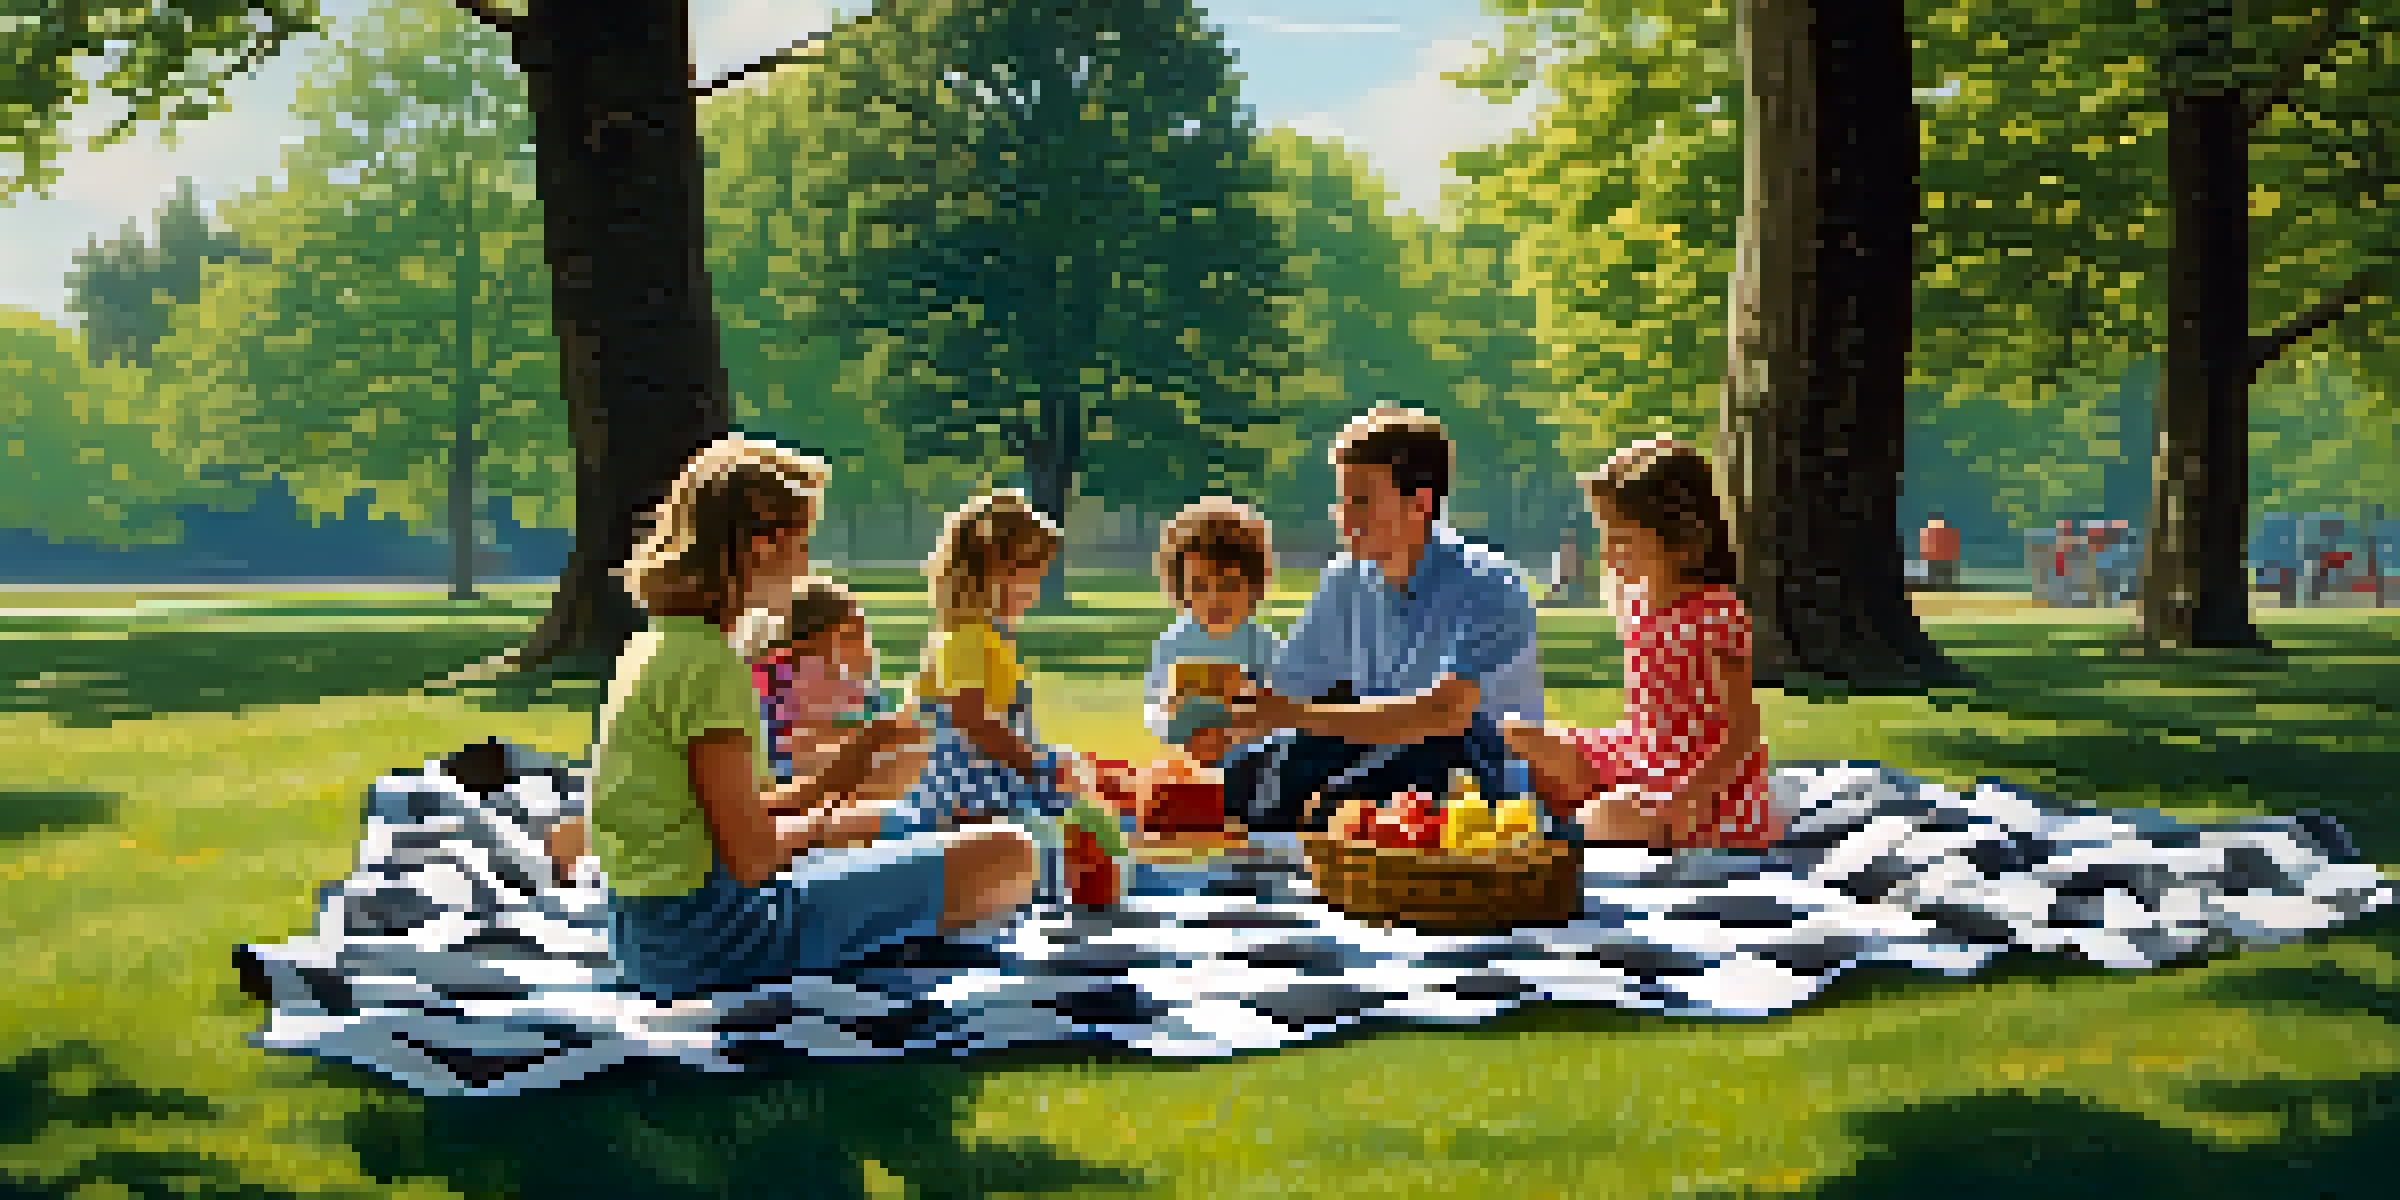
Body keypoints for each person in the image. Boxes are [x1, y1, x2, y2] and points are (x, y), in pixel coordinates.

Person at [590, 437, 1037, 1003]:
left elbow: (718, 816)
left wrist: (843, 778)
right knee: (1008, 853)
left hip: (647, 938)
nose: (806, 565)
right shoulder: (710, 668)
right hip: (716, 943)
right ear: (760, 546)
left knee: (900, 829)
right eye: (801, 544)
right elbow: (751, 858)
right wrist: (829, 831)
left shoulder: (659, 645)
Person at [1215, 408, 1545, 833]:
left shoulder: (1487, 583)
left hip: (1472, 773)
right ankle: (1267, 867)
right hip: (1376, 746)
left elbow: (1445, 714)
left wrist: (1292, 714)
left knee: (1366, 783)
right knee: (1244, 772)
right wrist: (1229, 719)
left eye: (1362, 501)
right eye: (1342, 501)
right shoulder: (1346, 578)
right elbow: (1289, 689)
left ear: (1420, 504)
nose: (1344, 517)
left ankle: (1319, 841)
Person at [1500, 436, 1780, 849]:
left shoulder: (1714, 613)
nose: (1611, 555)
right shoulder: (1636, 600)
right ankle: (1584, 815)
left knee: (1606, 817)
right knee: (1513, 737)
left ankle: (1597, 822)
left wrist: (1687, 800)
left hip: (1697, 784)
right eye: (1606, 537)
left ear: (1685, 545)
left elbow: (1742, 731)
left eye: (1625, 542)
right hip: (1636, 752)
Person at [896, 490, 1115, 860]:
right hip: (966, 797)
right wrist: (1039, 764)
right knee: (1035, 850)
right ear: (990, 575)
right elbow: (971, 720)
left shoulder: (990, 638)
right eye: (1029, 577)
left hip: (988, 785)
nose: (1035, 591)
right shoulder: (967, 638)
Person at [1141, 497, 1283, 770]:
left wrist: (1237, 731)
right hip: (1191, 765)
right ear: (1180, 589)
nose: (1215, 599)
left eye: (1229, 585)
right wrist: (1166, 710)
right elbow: (1153, 712)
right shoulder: (1172, 644)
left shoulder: (1265, 646)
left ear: (1254, 586)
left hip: (1254, 766)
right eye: (1200, 586)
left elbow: (1281, 718)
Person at [738, 576, 893, 786]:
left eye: (863, 634)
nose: (865, 647)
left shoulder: (859, 692)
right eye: (850, 636)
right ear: (813, 639)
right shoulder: (782, 681)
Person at [1919, 513, 1962, 591]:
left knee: (1944, 580)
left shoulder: (1949, 533)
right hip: (1935, 560)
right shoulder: (1926, 532)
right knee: (1937, 580)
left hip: (1944, 560)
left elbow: (1954, 549)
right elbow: (1924, 549)